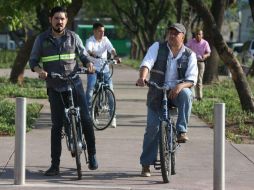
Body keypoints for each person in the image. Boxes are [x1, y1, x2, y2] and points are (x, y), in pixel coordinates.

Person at [29, 6, 98, 176]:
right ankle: (55, 165)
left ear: (66, 20)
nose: (59, 22)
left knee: (87, 119)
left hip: (74, 84)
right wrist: (41, 72)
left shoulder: (73, 37)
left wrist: (88, 64)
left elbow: (83, 55)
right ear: (50, 19)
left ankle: (92, 155)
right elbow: (33, 61)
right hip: (54, 86)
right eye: (56, 18)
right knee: (56, 126)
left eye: (62, 19)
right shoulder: (42, 39)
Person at [136, 23, 198, 177]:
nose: (172, 35)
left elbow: (192, 79)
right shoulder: (157, 47)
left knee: (187, 94)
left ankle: (181, 131)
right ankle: (146, 164)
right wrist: (142, 78)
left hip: (176, 94)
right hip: (157, 93)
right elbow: (147, 63)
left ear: (183, 36)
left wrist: (180, 86)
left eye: (175, 33)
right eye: (170, 32)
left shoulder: (190, 54)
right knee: (152, 128)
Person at [85, 22, 121, 128]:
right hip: (93, 70)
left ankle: (112, 117)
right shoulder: (90, 41)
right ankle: (88, 116)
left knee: (110, 91)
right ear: (94, 31)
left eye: (103, 31)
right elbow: (88, 50)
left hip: (105, 69)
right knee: (90, 90)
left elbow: (112, 49)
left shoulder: (105, 40)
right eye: (100, 31)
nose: (102, 33)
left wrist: (116, 57)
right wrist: (94, 55)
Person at [186, 29, 211, 101]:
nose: (198, 36)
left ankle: (199, 97)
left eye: (200, 34)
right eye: (197, 34)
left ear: (202, 35)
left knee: (199, 79)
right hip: (192, 62)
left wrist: (205, 56)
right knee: (191, 78)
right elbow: (186, 48)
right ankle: (192, 96)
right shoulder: (191, 41)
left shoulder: (205, 43)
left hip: (201, 62)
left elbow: (208, 52)